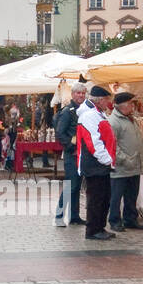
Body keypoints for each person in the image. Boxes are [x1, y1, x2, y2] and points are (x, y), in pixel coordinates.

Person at [77, 85, 116, 241]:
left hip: (100, 164)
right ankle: (93, 230)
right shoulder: (89, 116)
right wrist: (107, 159)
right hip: (95, 164)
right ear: (100, 100)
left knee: (104, 197)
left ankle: (99, 227)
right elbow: (93, 142)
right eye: (107, 100)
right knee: (96, 199)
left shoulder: (97, 114)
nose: (108, 103)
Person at [107, 91, 143, 231]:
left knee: (131, 195)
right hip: (121, 167)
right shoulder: (113, 121)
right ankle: (115, 221)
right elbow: (112, 146)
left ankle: (130, 219)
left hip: (134, 165)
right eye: (130, 103)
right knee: (116, 196)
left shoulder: (131, 119)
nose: (132, 106)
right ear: (122, 105)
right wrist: (125, 159)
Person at [53, 82, 87, 227]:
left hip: (81, 155)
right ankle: (59, 216)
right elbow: (60, 132)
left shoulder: (84, 110)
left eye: (83, 93)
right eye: (78, 93)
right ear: (73, 94)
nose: (81, 95)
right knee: (70, 186)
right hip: (71, 154)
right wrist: (70, 146)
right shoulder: (68, 111)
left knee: (77, 187)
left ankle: (74, 216)